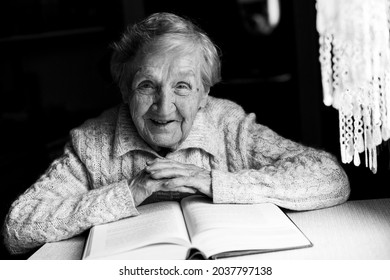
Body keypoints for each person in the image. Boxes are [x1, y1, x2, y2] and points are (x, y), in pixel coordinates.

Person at [2, 12, 350, 255]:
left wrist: (213, 182)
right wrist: (128, 193)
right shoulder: (93, 142)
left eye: (182, 86)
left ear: (204, 94)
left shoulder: (229, 125)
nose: (163, 106)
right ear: (125, 91)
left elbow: (330, 179)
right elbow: (17, 228)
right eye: (146, 85)